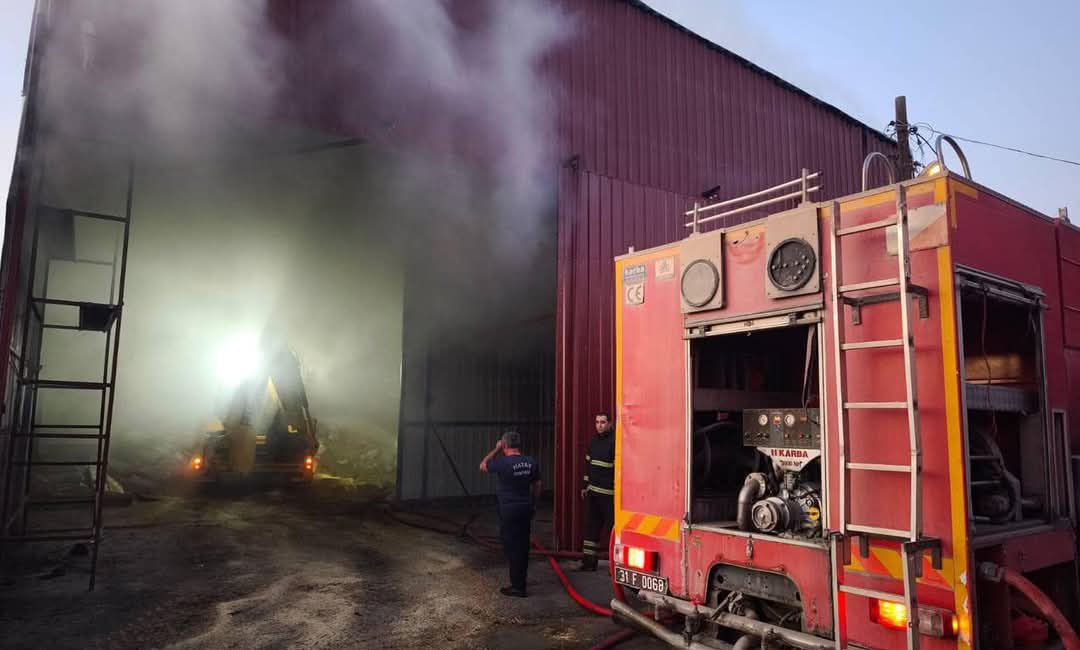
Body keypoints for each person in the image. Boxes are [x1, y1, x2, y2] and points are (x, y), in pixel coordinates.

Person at [479, 431, 542, 597]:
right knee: (522, 546)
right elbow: (537, 485)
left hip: (508, 510)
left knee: (511, 547)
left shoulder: (502, 462)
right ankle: (520, 581)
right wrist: (534, 504)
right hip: (525, 508)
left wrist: (496, 449)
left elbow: (483, 465)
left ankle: (517, 587)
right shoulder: (530, 462)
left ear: (505, 445)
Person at [578, 411, 615, 571]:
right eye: (597, 422)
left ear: (610, 423)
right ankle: (589, 562)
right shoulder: (593, 442)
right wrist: (584, 486)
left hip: (609, 495)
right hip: (593, 493)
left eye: (603, 422)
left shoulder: (614, 442)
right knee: (591, 528)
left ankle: (614, 567)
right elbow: (589, 466)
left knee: (612, 530)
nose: (599, 425)